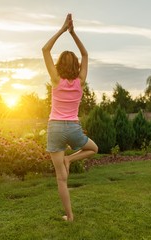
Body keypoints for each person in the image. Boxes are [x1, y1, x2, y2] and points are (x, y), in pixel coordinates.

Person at [42, 13, 98, 222]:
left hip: (55, 128)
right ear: (75, 65)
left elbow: (45, 49)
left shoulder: (55, 79)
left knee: (61, 179)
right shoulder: (80, 81)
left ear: (59, 65)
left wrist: (62, 29)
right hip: (73, 128)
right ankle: (70, 159)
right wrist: (73, 33)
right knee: (93, 149)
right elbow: (85, 54)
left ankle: (70, 216)